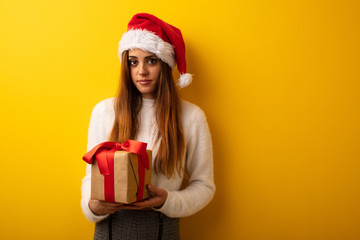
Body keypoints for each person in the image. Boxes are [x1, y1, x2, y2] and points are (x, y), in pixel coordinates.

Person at [81, 13, 215, 240]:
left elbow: (204, 186)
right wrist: (92, 207)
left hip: (161, 228)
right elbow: (90, 178)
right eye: (133, 62)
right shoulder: (104, 112)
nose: (141, 71)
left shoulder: (191, 117)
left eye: (151, 60)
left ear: (165, 63)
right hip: (110, 229)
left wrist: (167, 201)